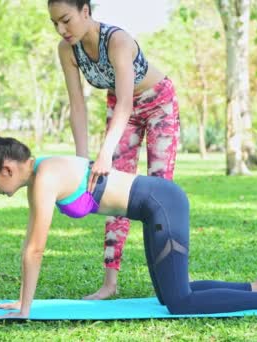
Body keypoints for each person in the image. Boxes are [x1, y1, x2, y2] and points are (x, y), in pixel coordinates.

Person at [0, 130, 257, 321]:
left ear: (7, 169)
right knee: (168, 295)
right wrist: (22, 302)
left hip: (162, 203)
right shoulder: (43, 171)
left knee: (180, 303)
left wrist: (24, 310)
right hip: (154, 206)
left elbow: (35, 250)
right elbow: (31, 247)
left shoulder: (45, 178)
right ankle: (256, 285)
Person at [48, 0, 181, 300]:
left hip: (158, 103)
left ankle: (168, 280)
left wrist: (105, 151)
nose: (61, 29)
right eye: (55, 23)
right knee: (114, 190)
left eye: (66, 19)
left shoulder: (117, 41)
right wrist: (82, 161)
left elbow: (126, 102)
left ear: (85, 11)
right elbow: (77, 106)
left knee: (160, 190)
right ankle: (110, 283)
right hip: (122, 108)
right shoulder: (67, 50)